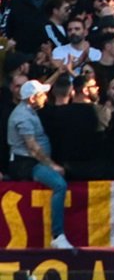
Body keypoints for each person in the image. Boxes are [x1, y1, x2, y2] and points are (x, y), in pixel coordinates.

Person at [6, 79, 72, 249]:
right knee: (59, 185)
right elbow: (32, 147)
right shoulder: (22, 116)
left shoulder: (30, 111)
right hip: (27, 164)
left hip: (32, 160)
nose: (45, 97)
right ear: (33, 98)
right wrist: (52, 165)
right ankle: (58, 234)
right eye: (42, 94)